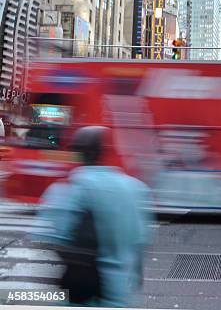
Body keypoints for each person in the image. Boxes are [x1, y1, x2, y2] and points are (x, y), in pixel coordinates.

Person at [32, 126, 152, 307]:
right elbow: (140, 241)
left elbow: (48, 237)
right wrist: (136, 275)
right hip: (121, 294)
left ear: (77, 153)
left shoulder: (67, 188)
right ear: (106, 151)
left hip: (83, 293)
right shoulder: (136, 189)